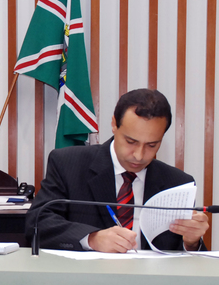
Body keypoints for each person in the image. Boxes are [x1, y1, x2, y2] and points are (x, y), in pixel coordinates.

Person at [26, 88, 210, 252]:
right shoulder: (68, 163)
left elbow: (182, 257)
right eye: (131, 142)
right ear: (114, 124)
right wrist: (91, 239)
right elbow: (37, 223)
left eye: (152, 145)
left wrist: (191, 242)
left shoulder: (178, 183)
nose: (139, 155)